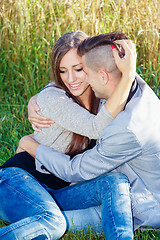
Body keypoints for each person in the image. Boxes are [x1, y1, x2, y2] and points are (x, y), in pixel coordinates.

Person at [0, 31, 135, 240]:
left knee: (115, 182)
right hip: (15, 181)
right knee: (53, 221)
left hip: (57, 190)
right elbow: (96, 127)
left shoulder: (102, 96)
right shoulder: (54, 97)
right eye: (63, 71)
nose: (70, 79)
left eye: (78, 69)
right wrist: (128, 75)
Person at [26, 32, 160, 231]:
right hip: (125, 181)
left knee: (55, 220)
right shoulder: (135, 86)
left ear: (103, 75)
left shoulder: (126, 129)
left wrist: (32, 146)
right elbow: (67, 86)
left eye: (83, 71)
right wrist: (38, 98)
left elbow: (75, 171)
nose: (81, 80)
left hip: (140, 204)